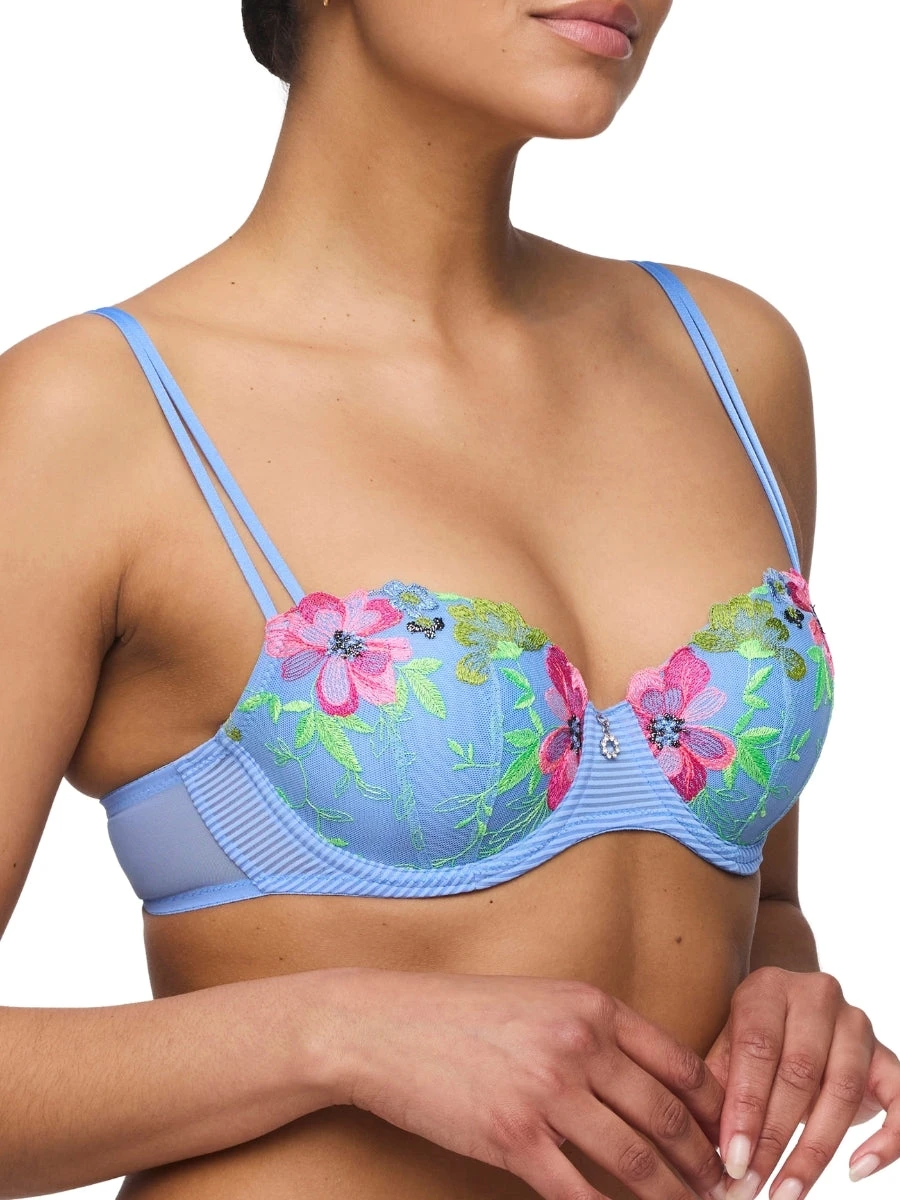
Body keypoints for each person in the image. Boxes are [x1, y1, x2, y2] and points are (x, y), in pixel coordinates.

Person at [0, 1, 896, 1198]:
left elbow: (759, 897)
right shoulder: (93, 417)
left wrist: (784, 993)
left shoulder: (728, 361)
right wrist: (334, 1034)